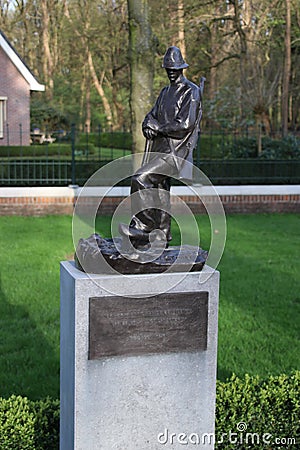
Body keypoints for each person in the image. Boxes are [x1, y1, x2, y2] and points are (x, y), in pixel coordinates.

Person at [119, 46, 202, 249]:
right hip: (159, 149)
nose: (171, 71)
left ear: (182, 67)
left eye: (175, 68)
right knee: (159, 191)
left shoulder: (191, 91)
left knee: (141, 178)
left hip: (176, 152)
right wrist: (148, 123)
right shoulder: (165, 92)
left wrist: (160, 128)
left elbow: (185, 124)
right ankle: (163, 235)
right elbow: (152, 114)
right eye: (168, 68)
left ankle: (144, 226)